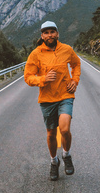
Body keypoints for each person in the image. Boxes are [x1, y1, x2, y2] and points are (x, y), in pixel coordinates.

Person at [24, 21, 81, 181]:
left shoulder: (67, 49)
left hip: (65, 95)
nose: (50, 35)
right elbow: (28, 77)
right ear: (42, 36)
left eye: (52, 32)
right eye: (46, 32)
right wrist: (43, 78)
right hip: (47, 99)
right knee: (51, 133)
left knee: (64, 129)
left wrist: (75, 81)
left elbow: (76, 64)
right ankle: (54, 161)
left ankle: (66, 155)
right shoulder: (36, 54)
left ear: (57, 34)